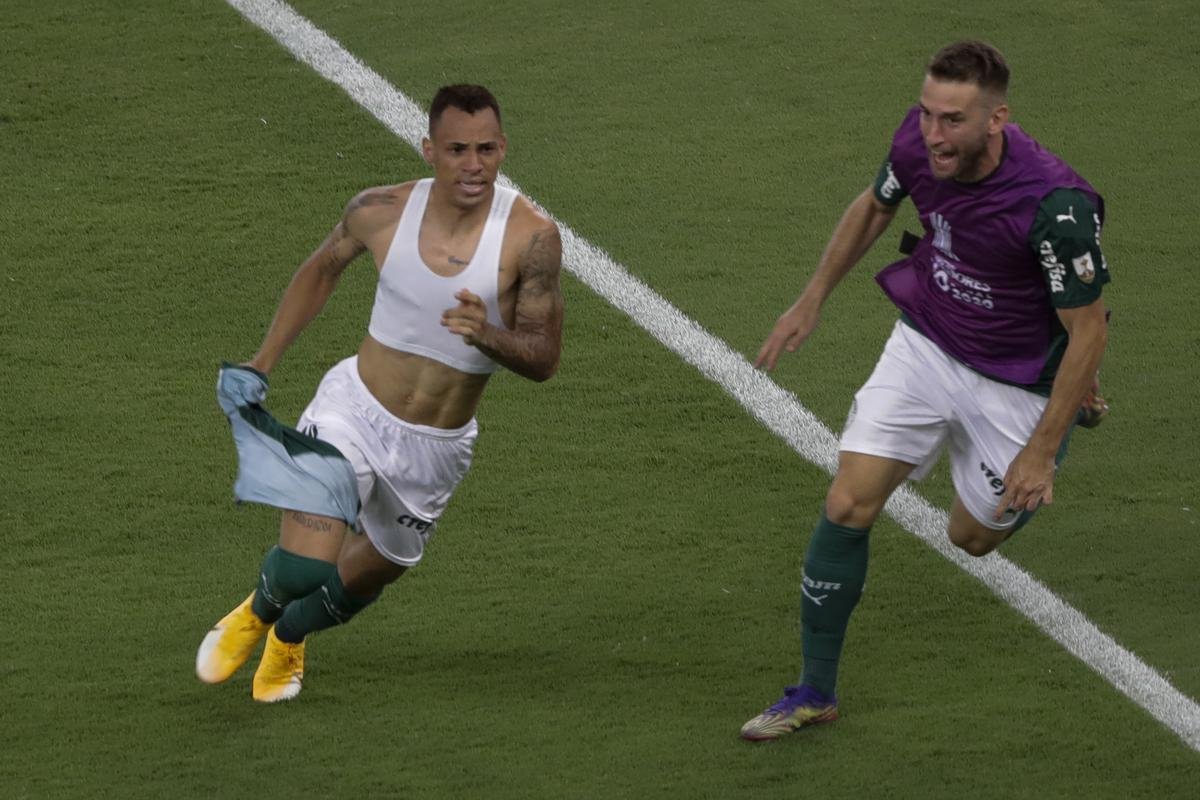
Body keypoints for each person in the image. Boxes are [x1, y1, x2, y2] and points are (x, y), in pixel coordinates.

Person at [740, 41, 1111, 741]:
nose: (934, 135)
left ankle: (1068, 414)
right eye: (928, 113)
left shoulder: (1055, 208)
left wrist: (1041, 449)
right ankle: (815, 689)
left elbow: (1089, 329)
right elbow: (875, 206)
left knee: (970, 537)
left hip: (1018, 378)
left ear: (997, 118)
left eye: (953, 121)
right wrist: (811, 296)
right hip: (930, 342)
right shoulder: (918, 143)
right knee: (848, 500)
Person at [196, 84, 564, 703]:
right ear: (429, 150)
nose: (472, 165)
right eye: (456, 150)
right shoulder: (380, 210)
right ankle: (257, 610)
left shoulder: (532, 238)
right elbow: (321, 268)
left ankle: (288, 636)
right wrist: (261, 362)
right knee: (307, 563)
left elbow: (544, 358)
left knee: (375, 572)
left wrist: (488, 336)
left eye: (485, 149)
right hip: (355, 409)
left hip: (437, 445)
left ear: (503, 149)